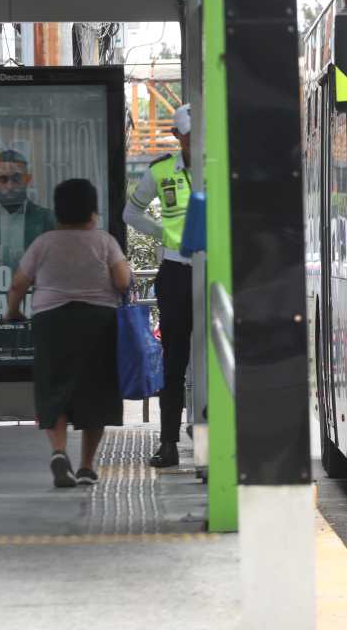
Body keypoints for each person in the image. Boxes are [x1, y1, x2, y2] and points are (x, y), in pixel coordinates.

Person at [5, 178, 130, 488]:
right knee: (96, 392)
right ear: (93, 212)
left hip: (52, 322)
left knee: (54, 388)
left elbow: (19, 283)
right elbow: (123, 281)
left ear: (57, 212)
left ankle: (59, 452)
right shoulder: (104, 241)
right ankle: (87, 466)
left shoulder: (44, 243)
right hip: (98, 322)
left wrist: (13, 311)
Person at [124, 104, 194, 468]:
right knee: (175, 360)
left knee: (225, 356)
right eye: (190, 136)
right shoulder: (161, 171)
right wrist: (164, 234)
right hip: (178, 272)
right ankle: (168, 443)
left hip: (220, 273)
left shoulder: (224, 167)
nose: (197, 143)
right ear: (179, 137)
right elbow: (131, 213)